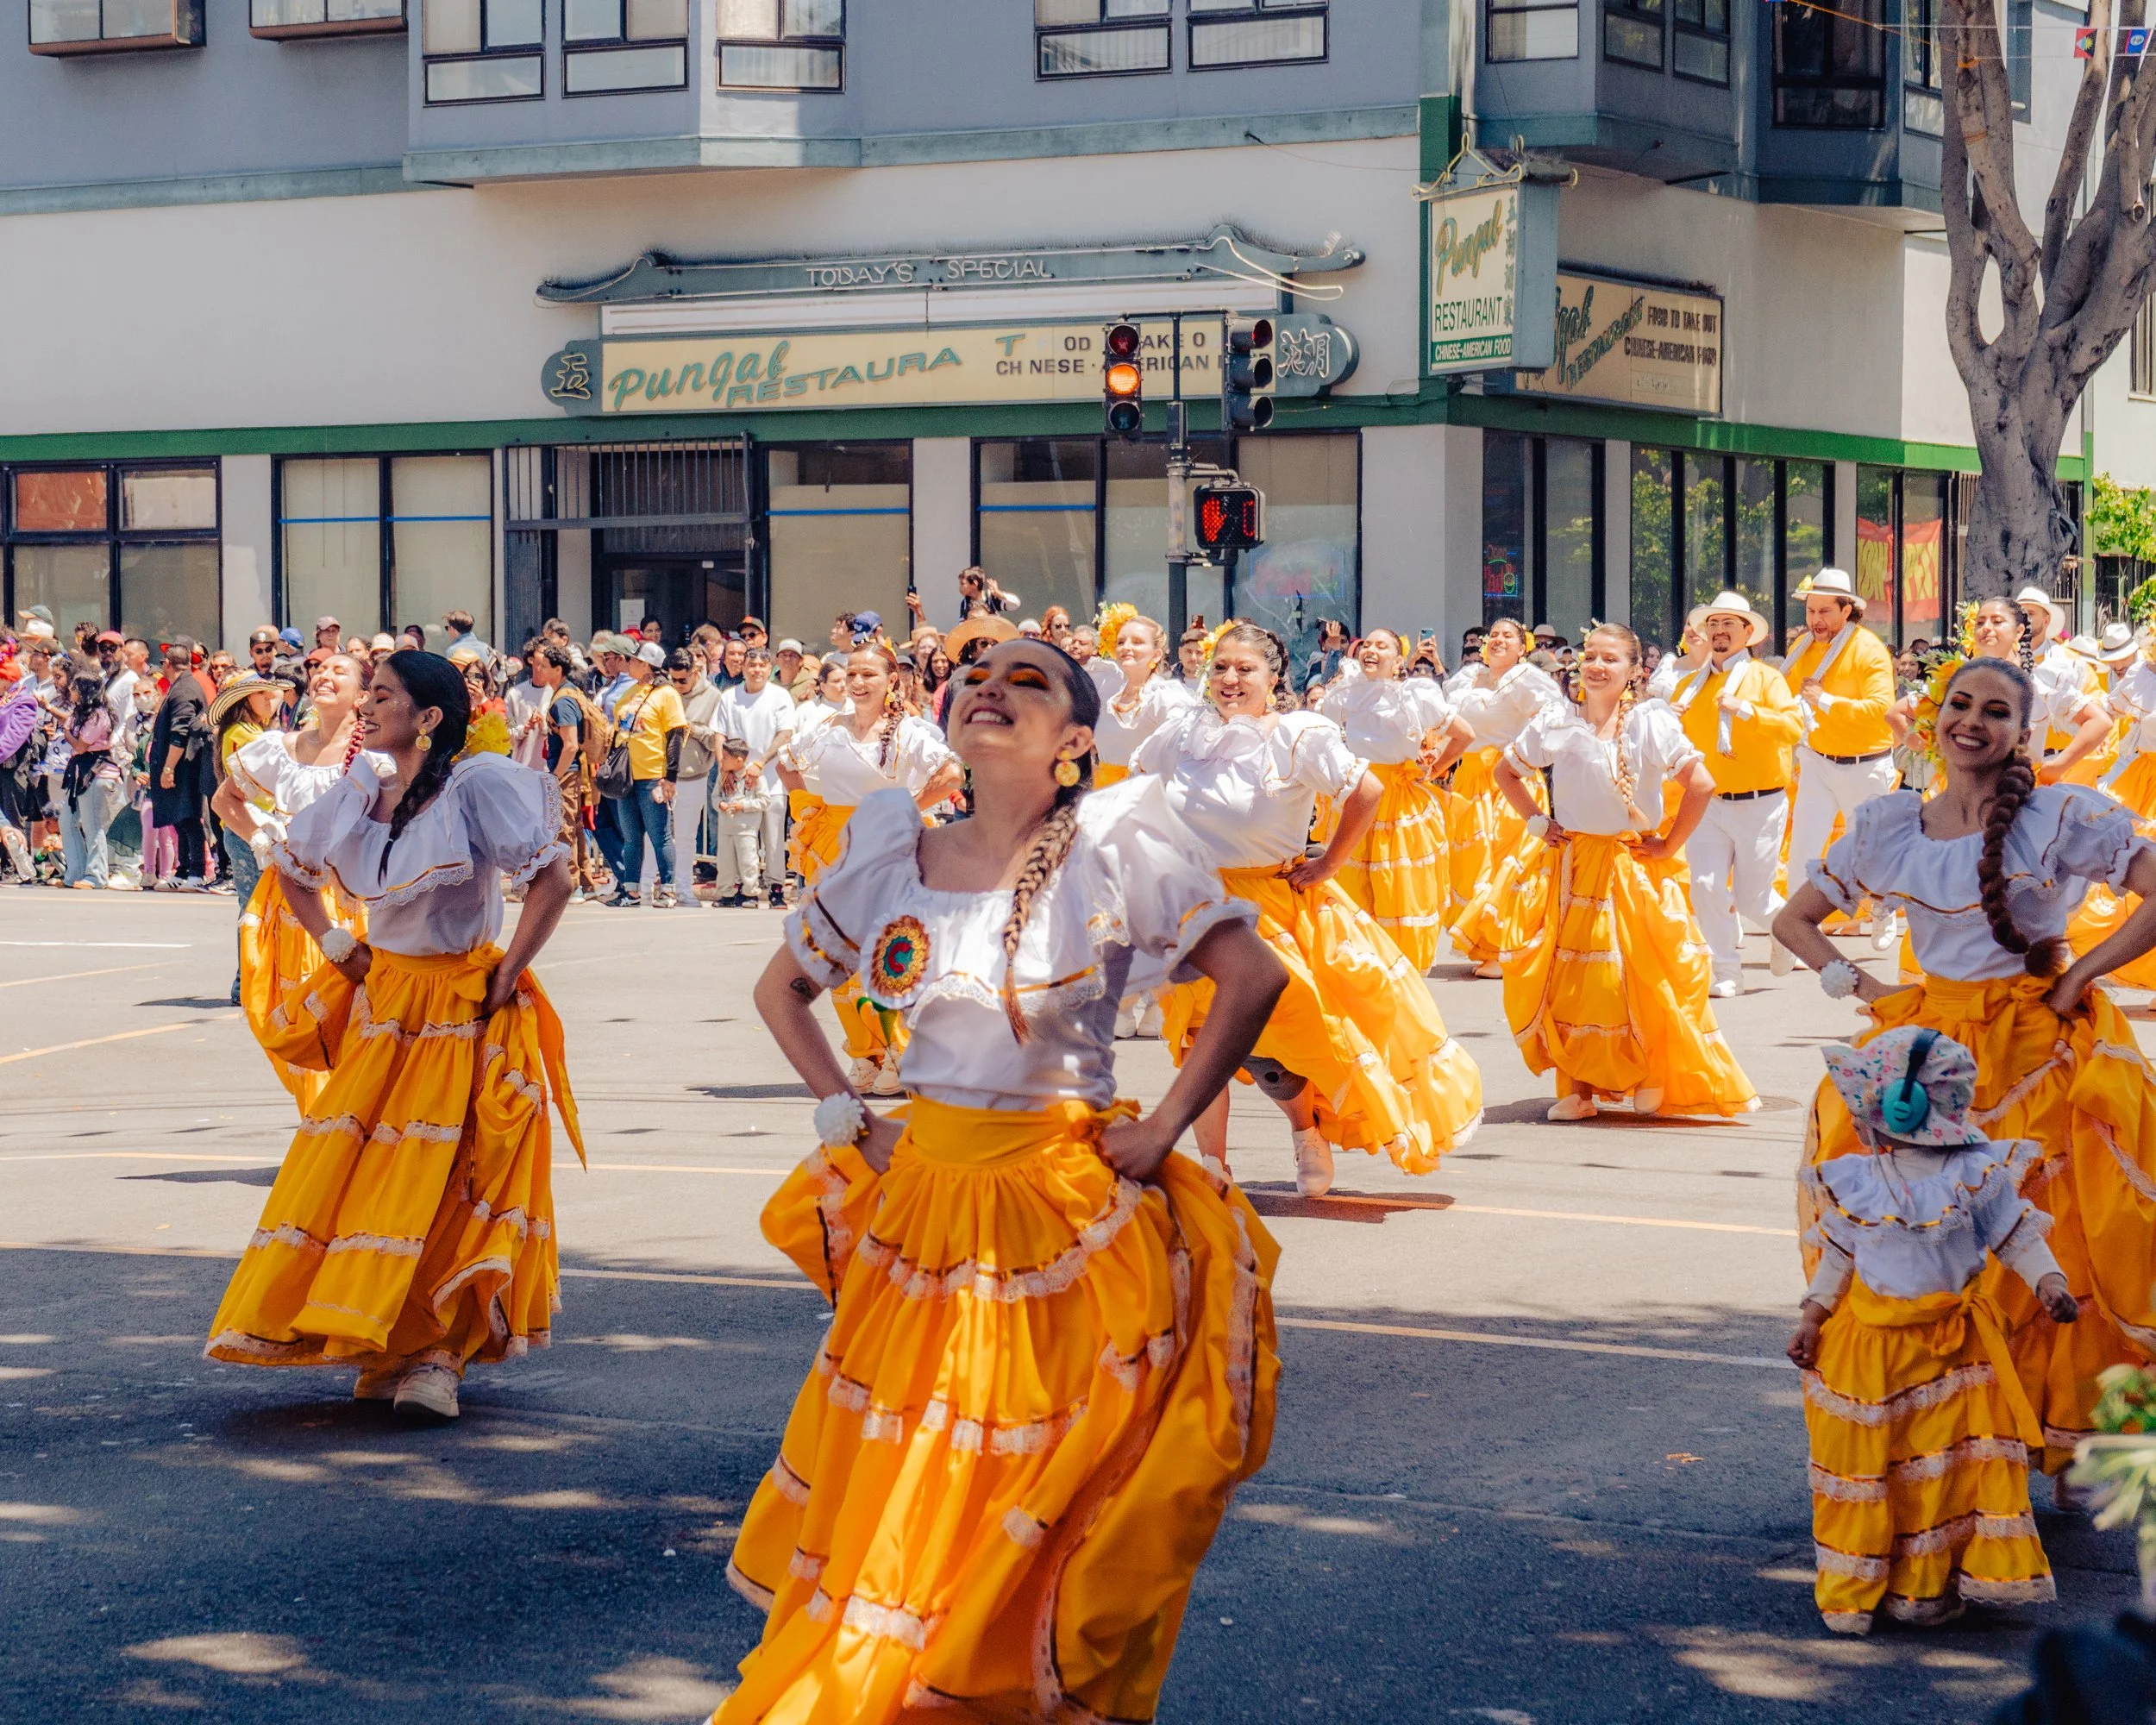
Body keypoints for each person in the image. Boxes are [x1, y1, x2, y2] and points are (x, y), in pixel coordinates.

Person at [717, 639, 1282, 1725]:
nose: (991, 690)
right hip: (923, 1208)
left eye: (1028, 681)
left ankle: (978, 1689)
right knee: (909, 1466)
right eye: (975, 680)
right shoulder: (894, 847)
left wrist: (1165, 1126)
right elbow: (784, 986)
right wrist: (847, 1112)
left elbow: (1251, 975)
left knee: (1018, 1481)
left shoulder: (1116, 840)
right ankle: (884, 1686)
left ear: (1075, 740)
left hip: (1059, 1210)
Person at [1774, 656, 2156, 1484]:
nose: (1971, 722)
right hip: (1928, 1054)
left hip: (2035, 1049)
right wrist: (1866, 988)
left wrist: (2084, 975)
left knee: (2038, 1252)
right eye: (1958, 705)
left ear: (2026, 732)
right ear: (1931, 719)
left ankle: (2033, 1434)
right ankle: (1960, 1439)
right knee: (1933, 1254)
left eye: (1995, 711)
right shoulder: (1890, 823)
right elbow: (1794, 920)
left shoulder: (2058, 814)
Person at [205, 651, 579, 1423]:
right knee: (370, 1174)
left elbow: (556, 875)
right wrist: (342, 952)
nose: (367, 708)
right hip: (386, 1003)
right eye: (367, 693)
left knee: (449, 1177)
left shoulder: (475, 783)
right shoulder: (365, 786)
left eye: (383, 697)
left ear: (430, 717)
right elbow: (292, 866)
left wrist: (508, 974)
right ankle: (387, 1341)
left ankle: (438, 1352)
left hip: (462, 1008)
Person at [1135, 623, 1484, 1197]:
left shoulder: (1298, 735)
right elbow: (1139, 791)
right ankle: (1213, 1165)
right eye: (1221, 667)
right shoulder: (1180, 734)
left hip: (1268, 906)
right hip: (1194, 907)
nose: (1230, 680)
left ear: (1274, 677)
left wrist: (1327, 864)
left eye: (1245, 669)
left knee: (1281, 1037)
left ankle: (1306, 1131)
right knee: (1200, 1041)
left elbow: (1365, 792)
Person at [1789, 1026, 2075, 1637]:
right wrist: (1813, 1316)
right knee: (1887, 1470)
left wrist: (2049, 1283)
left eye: (1864, 1108)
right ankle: (1860, 1586)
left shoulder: (1978, 1174)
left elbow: (2018, 1237)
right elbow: (1839, 1257)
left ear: (1898, 1111)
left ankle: (1922, 1587)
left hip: (1956, 1352)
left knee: (1940, 1472)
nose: (1858, 1120)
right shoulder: (1860, 1180)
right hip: (1872, 1351)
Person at [1495, 624, 1755, 1120]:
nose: (1596, 665)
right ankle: (1578, 1088)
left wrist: (1669, 845)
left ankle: (1648, 1076)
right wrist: (1536, 821)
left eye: (1610, 659)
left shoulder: (1649, 722)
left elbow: (1700, 783)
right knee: (1572, 978)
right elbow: (1506, 771)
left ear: (1635, 670)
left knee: (1638, 974)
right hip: (1572, 864)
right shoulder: (1558, 717)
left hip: (1630, 865)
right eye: (1591, 655)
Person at [775, 642, 963, 1095]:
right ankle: (866, 1055)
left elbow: (952, 774)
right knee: (833, 952)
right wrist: (807, 807)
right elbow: (786, 764)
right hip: (834, 847)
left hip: (888, 849)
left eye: (869, 675)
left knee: (886, 954)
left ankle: (903, 1052)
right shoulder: (827, 727)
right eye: (851, 674)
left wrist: (906, 809)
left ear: (891, 681)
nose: (857, 683)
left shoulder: (908, 732)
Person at [212, 653, 378, 1102]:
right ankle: (322, 1125)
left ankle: (344, 1126)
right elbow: (224, 800)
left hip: (355, 898)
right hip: (291, 898)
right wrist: (262, 838)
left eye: (339, 671)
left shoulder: (374, 753)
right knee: (295, 1015)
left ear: (363, 695)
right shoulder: (278, 747)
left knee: (354, 1013)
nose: (324, 675)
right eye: (319, 670)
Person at [1671, 591, 1806, 997]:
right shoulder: (1687, 688)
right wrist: (1665, 717)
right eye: (1712, 624)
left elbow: (1793, 729)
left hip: (1760, 803)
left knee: (1752, 899)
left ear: (1748, 633)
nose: (1718, 632)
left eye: (1728, 624)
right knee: (1706, 886)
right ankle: (1727, 970)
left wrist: (1745, 710)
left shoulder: (1767, 678)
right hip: (1709, 803)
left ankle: (1788, 930)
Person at [1319, 628, 1474, 972]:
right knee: (1353, 884)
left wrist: (1436, 762)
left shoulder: (1416, 696)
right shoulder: (1346, 694)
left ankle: (1402, 971)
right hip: (1358, 796)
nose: (1371, 650)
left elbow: (1465, 734)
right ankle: (1363, 967)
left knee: (1400, 886)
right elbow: (1320, 734)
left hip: (1402, 803)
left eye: (1382, 645)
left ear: (1398, 660)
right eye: (1368, 644)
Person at [1782, 570, 1902, 957]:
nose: (1815, 620)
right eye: (1811, 611)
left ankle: (1884, 910)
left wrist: (1824, 701)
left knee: (1868, 850)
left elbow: (1881, 710)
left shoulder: (1869, 649)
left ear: (1847, 610)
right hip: (1817, 760)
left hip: (1866, 764)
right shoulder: (1803, 646)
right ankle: (1789, 935)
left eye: (1824, 611)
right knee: (1803, 849)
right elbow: (1782, 697)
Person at [1446, 618, 1564, 977]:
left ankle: (1509, 944)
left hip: (1511, 779)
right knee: (1473, 864)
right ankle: (1485, 945)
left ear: (1522, 647)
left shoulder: (1527, 679)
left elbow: (1553, 716)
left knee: (1509, 860)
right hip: (1469, 779)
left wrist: (1523, 752)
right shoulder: (1467, 678)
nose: (1497, 640)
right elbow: (1447, 723)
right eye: (1493, 635)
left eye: (1507, 636)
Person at [717, 645, 797, 910]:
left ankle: (775, 888)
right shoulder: (730, 697)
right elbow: (720, 734)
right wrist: (724, 769)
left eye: (762, 665)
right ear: (744, 668)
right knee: (740, 836)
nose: (757, 670)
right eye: (752, 665)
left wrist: (761, 762)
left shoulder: (780, 696)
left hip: (771, 778)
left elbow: (785, 733)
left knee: (773, 838)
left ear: (769, 667)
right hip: (736, 781)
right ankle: (743, 887)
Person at [609, 641, 687, 908]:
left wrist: (671, 776)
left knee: (660, 835)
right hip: (627, 776)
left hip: (654, 774)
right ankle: (631, 890)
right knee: (630, 837)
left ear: (645, 665)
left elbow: (675, 734)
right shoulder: (630, 692)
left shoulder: (667, 694)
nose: (627, 663)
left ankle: (667, 890)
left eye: (632, 660)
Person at [528, 643, 603, 900]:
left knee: (565, 828)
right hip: (571, 770)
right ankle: (584, 880)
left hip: (567, 771)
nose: (538, 669)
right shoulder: (568, 693)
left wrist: (555, 777)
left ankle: (572, 885)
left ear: (558, 669)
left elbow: (570, 745)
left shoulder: (563, 702)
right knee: (575, 825)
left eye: (543, 666)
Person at [2015, 586, 2113, 785]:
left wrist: (2061, 764)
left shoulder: (2070, 663)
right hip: (2015, 768)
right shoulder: (2005, 658)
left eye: (2031, 613)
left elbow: (2098, 710)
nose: (2025, 618)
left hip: (2064, 768)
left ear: (2046, 619)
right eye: (2021, 613)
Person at [1089, 612, 1194, 790]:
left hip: (1143, 798)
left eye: (1137, 642)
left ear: (1156, 655)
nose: (1126, 647)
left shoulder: (1164, 696)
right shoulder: (1109, 692)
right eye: (1121, 642)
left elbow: (1181, 745)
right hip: (1104, 792)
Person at [148, 638, 211, 890]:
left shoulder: (185, 690)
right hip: (180, 765)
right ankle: (183, 870)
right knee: (179, 818)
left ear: (168, 664)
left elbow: (180, 732)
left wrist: (168, 768)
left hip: (184, 766)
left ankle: (197, 872)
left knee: (188, 817)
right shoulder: (181, 686)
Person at [667, 646, 724, 906]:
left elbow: (717, 740)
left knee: (687, 835)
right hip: (662, 773)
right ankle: (661, 886)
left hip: (694, 774)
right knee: (657, 835)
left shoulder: (713, 697)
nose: (677, 685)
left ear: (696, 672)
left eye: (682, 680)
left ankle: (683, 889)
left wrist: (692, 728)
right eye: (673, 679)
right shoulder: (666, 692)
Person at [710, 737, 769, 906]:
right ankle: (726, 894)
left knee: (748, 862)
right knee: (725, 863)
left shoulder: (756, 778)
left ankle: (750, 893)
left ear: (739, 760)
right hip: (726, 828)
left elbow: (765, 801)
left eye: (726, 758)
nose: (722, 761)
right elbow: (715, 797)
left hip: (746, 829)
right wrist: (720, 804)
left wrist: (743, 805)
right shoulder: (723, 778)